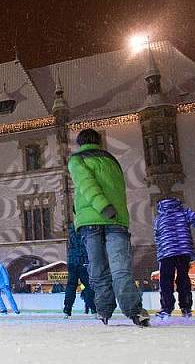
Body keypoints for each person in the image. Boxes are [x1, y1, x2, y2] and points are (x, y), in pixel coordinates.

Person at [68, 128, 149, 326]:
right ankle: (135, 311)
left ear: (80, 143)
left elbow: (86, 184)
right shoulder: (112, 160)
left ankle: (104, 310)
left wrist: (101, 206)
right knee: (121, 269)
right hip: (116, 220)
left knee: (98, 270)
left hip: (93, 220)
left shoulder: (77, 159)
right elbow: (118, 191)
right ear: (99, 142)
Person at [153, 197, 195, 320]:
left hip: (166, 253)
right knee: (183, 278)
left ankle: (166, 309)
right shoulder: (185, 212)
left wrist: (159, 255)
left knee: (165, 282)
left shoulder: (159, 218)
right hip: (183, 251)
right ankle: (186, 307)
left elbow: (157, 238)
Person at [63, 224, 96, 318]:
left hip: (72, 262)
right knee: (87, 285)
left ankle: (67, 309)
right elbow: (85, 247)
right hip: (82, 262)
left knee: (71, 286)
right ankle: (94, 309)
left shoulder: (71, 232)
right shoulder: (84, 230)